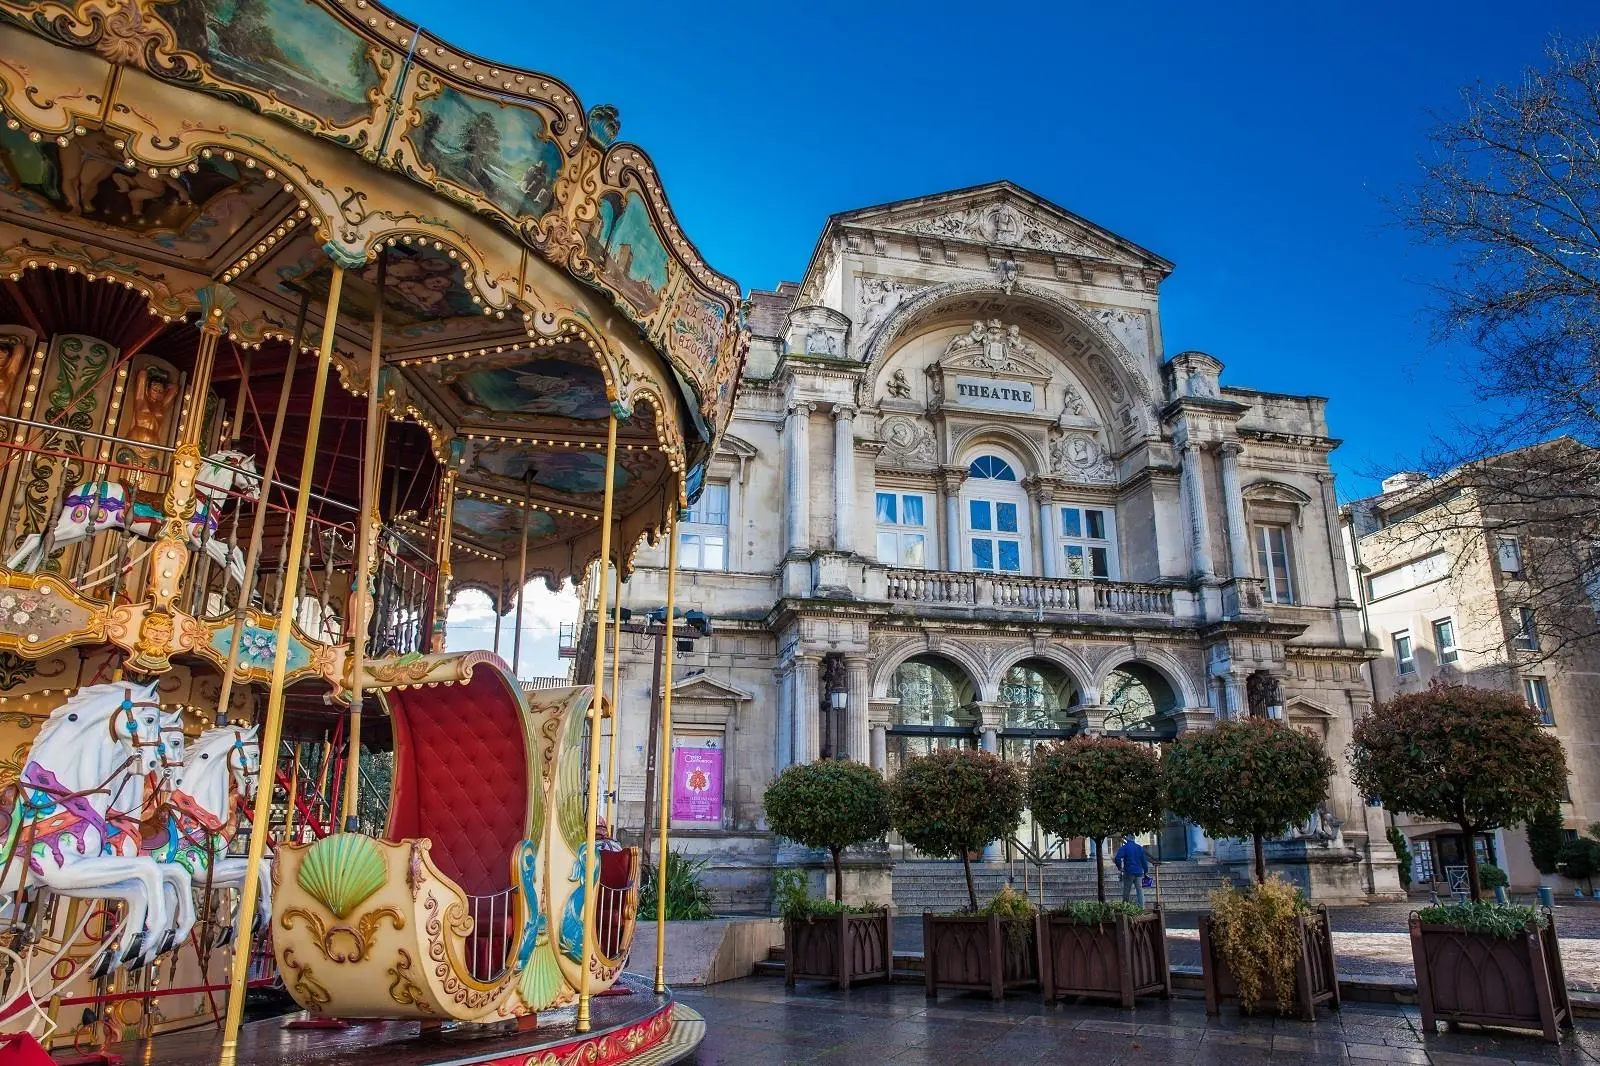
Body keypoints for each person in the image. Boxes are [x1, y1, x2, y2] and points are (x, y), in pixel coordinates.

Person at [1113, 833, 1150, 907]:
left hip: (1129, 872)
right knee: (1139, 890)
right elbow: (1144, 861)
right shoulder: (1139, 848)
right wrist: (1146, 872)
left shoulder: (1125, 847)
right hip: (1139, 872)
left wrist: (1120, 867)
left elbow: (1117, 858)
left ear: (1127, 838)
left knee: (1126, 890)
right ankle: (1141, 907)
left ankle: (1125, 907)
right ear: (1134, 838)